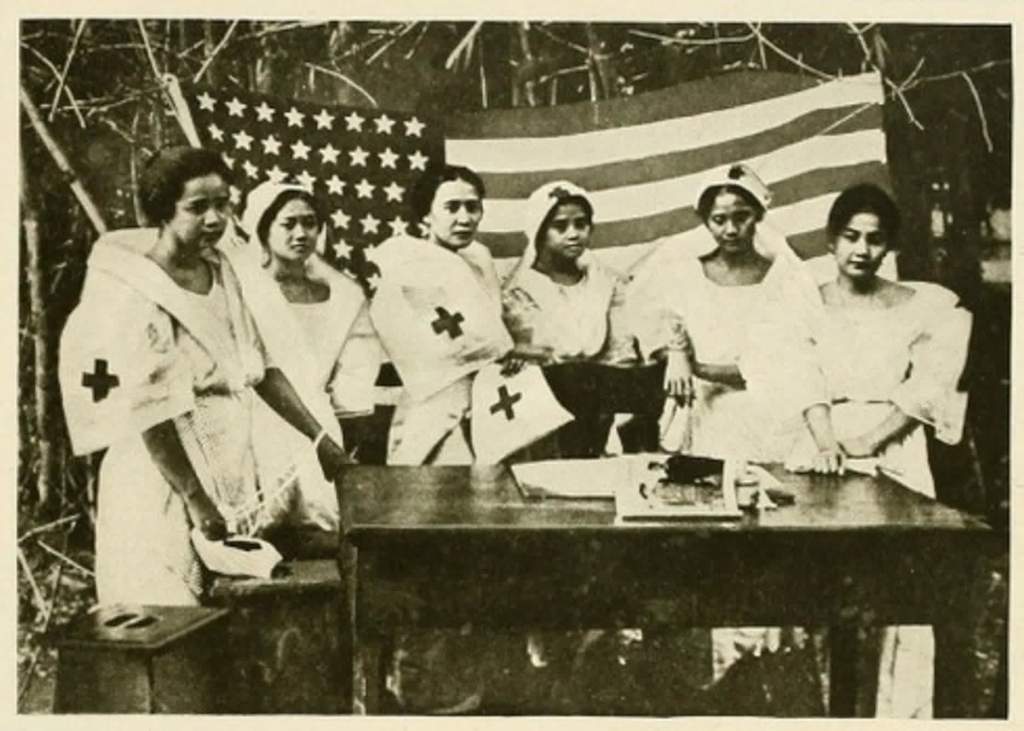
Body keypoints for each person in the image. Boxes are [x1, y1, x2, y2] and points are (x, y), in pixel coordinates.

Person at [58, 147, 349, 605]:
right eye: (197, 208)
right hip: (163, 474)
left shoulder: (223, 269)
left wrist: (320, 441)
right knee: (168, 602)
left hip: (225, 466)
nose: (215, 219)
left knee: (233, 604)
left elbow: (260, 366)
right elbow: (147, 409)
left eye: (223, 204)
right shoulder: (137, 288)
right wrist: (196, 500)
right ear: (163, 210)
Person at [779, 183, 972, 717]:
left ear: (889, 247)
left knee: (897, 586)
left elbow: (929, 387)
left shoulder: (923, 305)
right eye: (850, 237)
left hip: (895, 448)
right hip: (822, 449)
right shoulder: (804, 304)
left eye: (874, 239)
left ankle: (896, 716)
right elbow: (800, 377)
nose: (861, 249)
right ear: (830, 242)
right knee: (820, 582)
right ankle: (823, 711)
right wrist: (827, 441)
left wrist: (870, 440)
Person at [635, 163, 821, 463]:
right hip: (706, 412)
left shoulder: (783, 279)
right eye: (719, 220)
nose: (731, 230)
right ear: (706, 222)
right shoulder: (687, 274)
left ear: (758, 216)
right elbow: (660, 320)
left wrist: (700, 368)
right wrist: (676, 353)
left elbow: (783, 363)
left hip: (770, 415)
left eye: (742, 217)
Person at [231, 180, 380, 547]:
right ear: (263, 228)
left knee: (324, 524)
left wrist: (341, 426)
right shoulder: (243, 289)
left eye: (310, 223)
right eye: (289, 223)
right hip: (254, 417)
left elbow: (355, 369)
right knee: (261, 525)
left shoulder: (344, 296)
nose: (301, 233)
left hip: (319, 420)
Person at [368, 162, 537, 466]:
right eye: (452, 207)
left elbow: (494, 330)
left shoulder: (479, 258)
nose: (464, 218)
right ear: (427, 214)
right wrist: (496, 350)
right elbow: (424, 343)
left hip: (490, 395)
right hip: (437, 396)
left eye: (472, 207)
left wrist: (509, 352)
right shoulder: (407, 264)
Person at [501, 180, 645, 458]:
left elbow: (620, 354)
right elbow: (521, 357)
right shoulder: (516, 292)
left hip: (598, 405)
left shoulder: (607, 284)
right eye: (560, 226)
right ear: (539, 232)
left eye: (581, 224)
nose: (574, 234)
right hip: (539, 412)